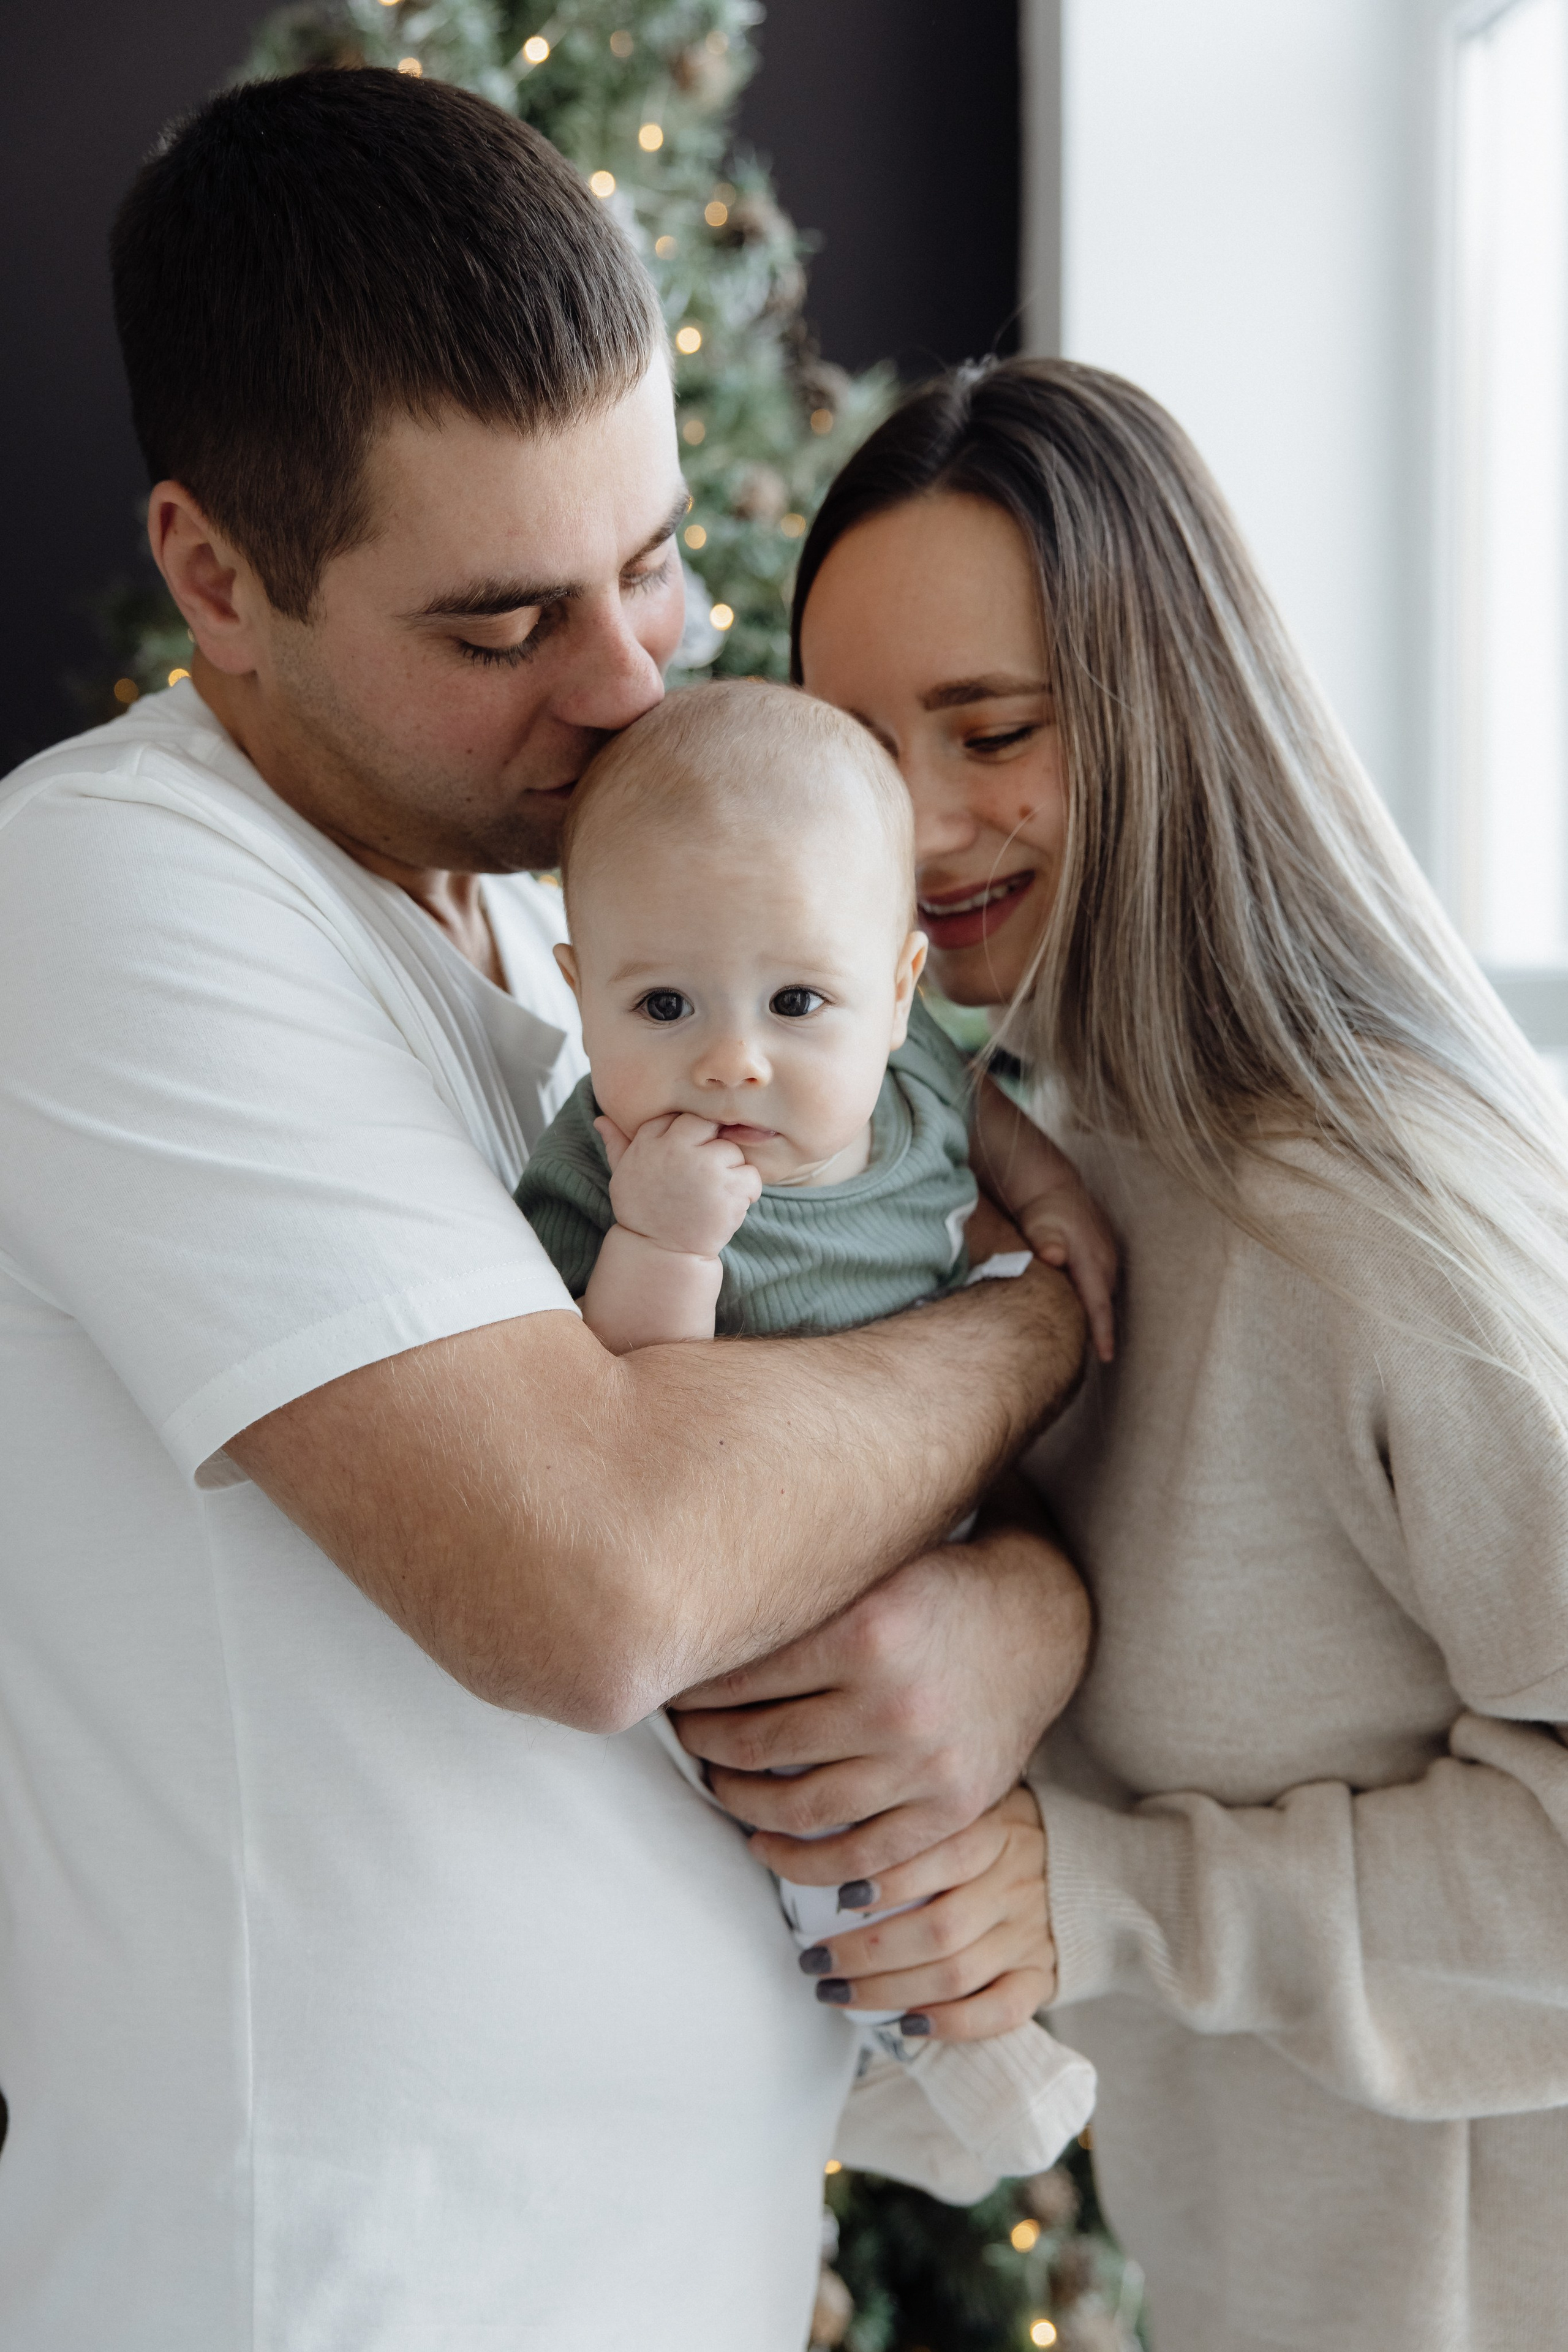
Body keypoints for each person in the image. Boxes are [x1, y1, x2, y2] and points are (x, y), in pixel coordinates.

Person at [0, 75, 1093, 2352]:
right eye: (501, 624)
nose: (628, 689)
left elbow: (753, 1449)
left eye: (657, 559)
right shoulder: (110, 891)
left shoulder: (551, 903)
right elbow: (594, 1585)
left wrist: (1015, 1629)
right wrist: (1034, 1328)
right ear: (214, 576)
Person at [783, 352, 1568, 2352]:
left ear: (1157, 711)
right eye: (856, 752)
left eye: (994, 729)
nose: (924, 824)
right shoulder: (1021, 1159)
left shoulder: (1368, 1223)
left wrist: (1122, 1895)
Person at [517, 676, 1110, 2192]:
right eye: (663, 1007)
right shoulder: (611, 1170)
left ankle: (921, 2038)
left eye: (796, 1004)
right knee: (827, 1826)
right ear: (582, 991)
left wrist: (1043, 1204)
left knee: (954, 1800)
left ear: (898, 985)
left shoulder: (905, 1069)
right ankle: (945, 2066)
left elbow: (979, 1112)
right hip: (770, 1587)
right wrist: (665, 1243)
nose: (732, 1063)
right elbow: (626, 1418)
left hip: (942, 1531)